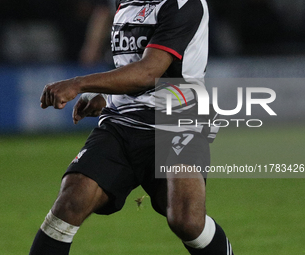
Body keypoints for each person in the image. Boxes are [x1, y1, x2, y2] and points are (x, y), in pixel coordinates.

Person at [29, 0, 234, 254]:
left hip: (179, 123)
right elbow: (130, 64)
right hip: (122, 123)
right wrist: (106, 98)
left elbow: (149, 71)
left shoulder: (183, 3)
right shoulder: (122, 2)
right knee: (71, 200)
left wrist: (79, 84)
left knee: (187, 220)